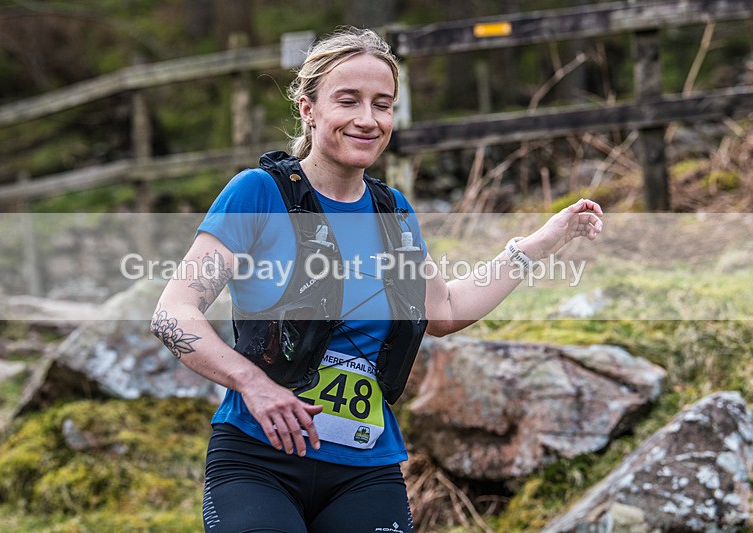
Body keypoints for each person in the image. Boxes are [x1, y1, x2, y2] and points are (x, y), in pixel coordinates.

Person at [150, 26, 603, 533]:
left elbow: (444, 311)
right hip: (258, 461)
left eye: (382, 105)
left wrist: (540, 244)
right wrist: (253, 383)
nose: (368, 120)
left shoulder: (395, 212)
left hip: (365, 471)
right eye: (348, 101)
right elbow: (173, 311)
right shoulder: (259, 193)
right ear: (308, 109)